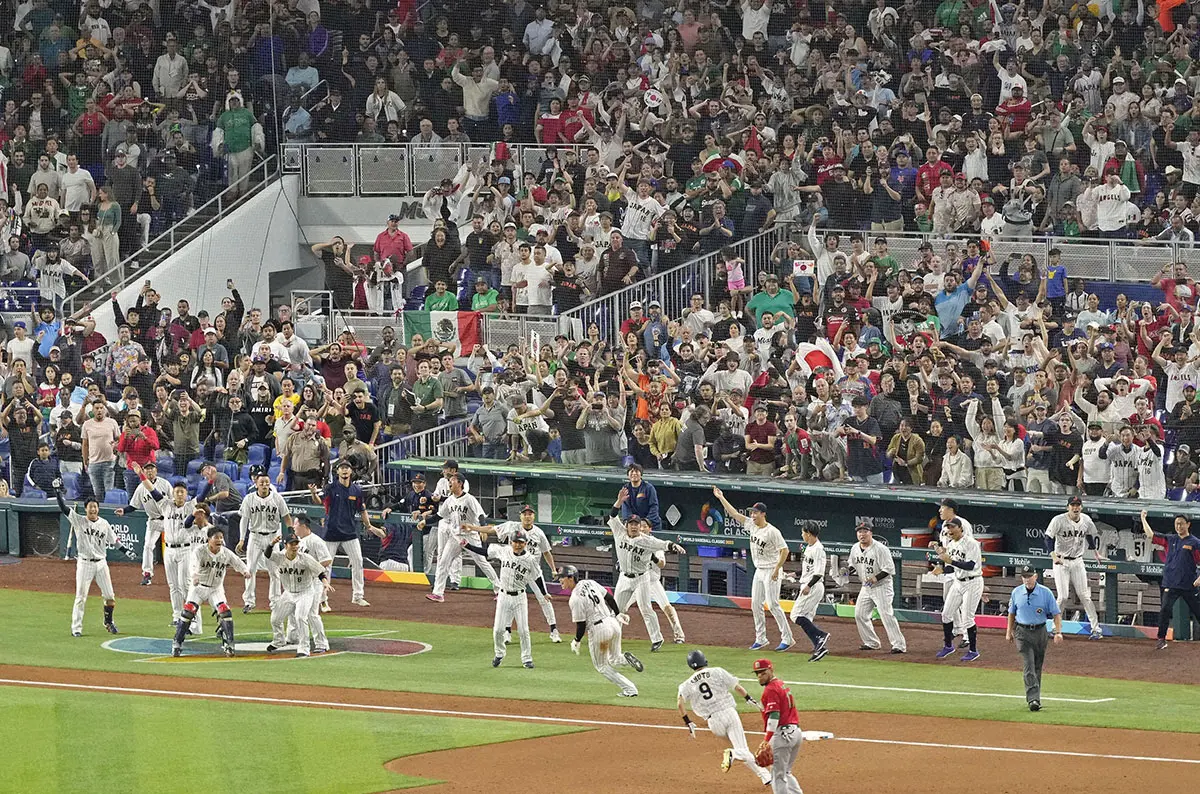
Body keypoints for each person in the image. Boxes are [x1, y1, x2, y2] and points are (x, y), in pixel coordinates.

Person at [711, 487, 793, 651]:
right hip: (759, 570)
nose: (753, 515)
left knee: (773, 604)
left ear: (763, 514)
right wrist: (721, 497)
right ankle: (761, 638)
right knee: (755, 604)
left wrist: (777, 569)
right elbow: (734, 514)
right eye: (752, 513)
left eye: (755, 513)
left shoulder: (772, 531)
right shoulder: (752, 525)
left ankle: (787, 638)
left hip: (771, 569)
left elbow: (785, 550)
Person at [677, 650, 771, 786]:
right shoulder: (717, 671)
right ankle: (734, 754)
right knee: (740, 749)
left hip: (714, 723)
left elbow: (680, 703)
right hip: (729, 713)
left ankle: (765, 776)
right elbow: (736, 687)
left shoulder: (686, 684)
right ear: (704, 660)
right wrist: (747, 698)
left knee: (741, 749)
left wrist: (688, 722)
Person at [469, 504, 561, 643]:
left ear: (534, 516)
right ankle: (507, 631)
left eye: (530, 514)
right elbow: (492, 529)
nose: (527, 516)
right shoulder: (511, 526)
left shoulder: (539, 533)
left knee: (544, 598)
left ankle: (553, 630)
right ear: (520, 516)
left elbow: (546, 552)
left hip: (532, 570)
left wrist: (553, 569)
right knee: (510, 598)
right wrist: (473, 528)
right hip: (515, 569)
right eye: (525, 514)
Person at [609, 489, 686, 652]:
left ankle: (657, 639)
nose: (634, 527)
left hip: (642, 579)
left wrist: (674, 546)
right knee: (616, 610)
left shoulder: (647, 540)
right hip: (624, 577)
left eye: (637, 524)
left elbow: (663, 544)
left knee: (645, 608)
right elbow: (612, 516)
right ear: (626, 525)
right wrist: (619, 502)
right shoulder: (619, 532)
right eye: (631, 524)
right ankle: (614, 640)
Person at [58, 489, 136, 637]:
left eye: (95, 506)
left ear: (98, 509)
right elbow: (63, 508)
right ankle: (76, 628)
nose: (93, 509)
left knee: (110, 596)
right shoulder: (79, 520)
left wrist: (126, 551)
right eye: (90, 507)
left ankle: (108, 621)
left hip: (101, 564)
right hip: (85, 563)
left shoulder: (104, 524)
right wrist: (57, 493)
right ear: (85, 509)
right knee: (81, 597)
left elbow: (115, 541)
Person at [561, 565, 644, 698]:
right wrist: (618, 613)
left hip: (600, 631)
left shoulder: (575, 599)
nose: (560, 580)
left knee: (601, 666)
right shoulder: (589, 582)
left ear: (571, 578)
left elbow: (581, 624)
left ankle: (630, 689)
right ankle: (626, 660)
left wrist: (576, 640)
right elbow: (609, 597)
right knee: (615, 658)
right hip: (613, 624)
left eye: (562, 578)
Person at [172, 516, 250, 657]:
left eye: (221, 537)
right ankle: (177, 642)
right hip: (198, 587)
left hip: (216, 588)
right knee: (188, 611)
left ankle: (229, 643)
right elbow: (193, 564)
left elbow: (237, 562)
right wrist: (194, 575)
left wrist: (245, 571)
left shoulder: (225, 552)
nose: (219, 540)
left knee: (225, 611)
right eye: (216, 537)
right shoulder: (200, 551)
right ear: (209, 539)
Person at [310, 460, 383, 607]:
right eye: (342, 468)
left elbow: (362, 510)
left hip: (350, 532)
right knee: (326, 566)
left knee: (358, 562)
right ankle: (322, 599)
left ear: (351, 471)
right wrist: (313, 493)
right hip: (331, 533)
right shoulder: (330, 488)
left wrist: (368, 525)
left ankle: (358, 596)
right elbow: (319, 501)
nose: (344, 471)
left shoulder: (356, 490)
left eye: (347, 468)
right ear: (337, 471)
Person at [469, 529, 541, 668]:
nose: (518, 545)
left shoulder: (530, 560)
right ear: (511, 542)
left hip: (520, 597)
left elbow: (537, 577)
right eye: (515, 542)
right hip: (503, 596)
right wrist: (468, 546)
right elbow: (485, 551)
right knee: (498, 630)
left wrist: (544, 594)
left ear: (525, 543)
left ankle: (527, 658)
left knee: (523, 630)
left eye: (521, 542)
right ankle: (499, 653)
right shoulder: (504, 551)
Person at [425, 473, 500, 602]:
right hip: (456, 537)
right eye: (449, 481)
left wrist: (483, 528)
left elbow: (480, 514)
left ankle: (499, 590)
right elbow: (439, 516)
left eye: (452, 480)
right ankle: (438, 593)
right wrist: (424, 522)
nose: (449, 483)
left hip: (470, 536)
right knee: (443, 562)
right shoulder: (449, 500)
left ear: (460, 483)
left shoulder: (469, 499)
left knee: (482, 563)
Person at [263, 535, 334, 658]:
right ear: (286, 546)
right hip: (288, 593)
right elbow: (267, 554)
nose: (295, 546)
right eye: (292, 544)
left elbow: (320, 571)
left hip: (305, 592)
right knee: (275, 619)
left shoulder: (305, 558)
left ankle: (304, 648)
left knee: (300, 617)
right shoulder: (280, 557)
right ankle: (279, 640)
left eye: (296, 543)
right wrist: (271, 543)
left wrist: (325, 583)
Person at [1043, 496, 1103, 639]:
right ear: (1068, 507)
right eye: (1072, 505)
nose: (1075, 507)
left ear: (1081, 507)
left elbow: (1089, 534)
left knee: (1084, 596)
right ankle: (1055, 628)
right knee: (1063, 597)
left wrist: (1096, 553)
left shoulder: (1086, 520)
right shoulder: (1058, 520)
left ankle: (1096, 629)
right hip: (1061, 561)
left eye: (1078, 505)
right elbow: (1048, 538)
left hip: (1077, 561)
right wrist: (1053, 556)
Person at [1005, 566, 1064, 712]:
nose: (1027, 580)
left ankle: (1036, 697)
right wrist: (1009, 632)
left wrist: (1058, 632)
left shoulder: (1045, 593)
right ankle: (1033, 699)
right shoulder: (1016, 592)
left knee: (1037, 665)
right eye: (1024, 577)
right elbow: (1011, 613)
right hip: (1022, 632)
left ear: (1036, 576)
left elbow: (1056, 614)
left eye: (1029, 576)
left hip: (1040, 632)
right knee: (1029, 664)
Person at [1139, 511, 1200, 651]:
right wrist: (1143, 518)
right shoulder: (1170, 539)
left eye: (1181, 524)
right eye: (1176, 524)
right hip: (1170, 583)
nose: (1178, 526)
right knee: (1165, 610)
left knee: (1198, 611)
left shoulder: (1195, 543)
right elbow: (1151, 535)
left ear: (1188, 525)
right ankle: (1161, 639)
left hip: (1189, 584)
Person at [237, 469, 291, 613]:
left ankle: (275, 602)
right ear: (256, 484)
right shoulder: (249, 499)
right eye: (262, 483)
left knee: (274, 571)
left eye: (267, 482)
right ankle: (249, 601)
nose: (264, 485)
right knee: (250, 569)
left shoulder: (277, 498)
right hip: (255, 536)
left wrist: (291, 533)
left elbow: (286, 516)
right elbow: (244, 520)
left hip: (272, 537)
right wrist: (242, 539)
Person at [848, 523, 907, 653]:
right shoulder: (855, 548)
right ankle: (871, 642)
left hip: (882, 586)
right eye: (859, 531)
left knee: (886, 615)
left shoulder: (881, 549)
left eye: (865, 531)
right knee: (860, 614)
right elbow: (853, 565)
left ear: (871, 533)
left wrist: (875, 578)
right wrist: (846, 572)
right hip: (866, 587)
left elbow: (889, 569)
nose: (862, 534)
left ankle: (899, 645)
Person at [932, 518, 983, 662]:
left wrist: (950, 561)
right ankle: (948, 646)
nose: (950, 530)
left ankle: (973, 650)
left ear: (960, 528)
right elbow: (952, 567)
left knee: (967, 618)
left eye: (952, 527)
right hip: (958, 582)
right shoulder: (951, 544)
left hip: (973, 582)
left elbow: (970, 565)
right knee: (946, 614)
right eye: (948, 527)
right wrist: (942, 570)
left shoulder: (971, 543)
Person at [752, 658, 804, 794]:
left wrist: (766, 740)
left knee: (777, 776)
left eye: (763, 672)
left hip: (782, 736)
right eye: (757, 673)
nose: (760, 676)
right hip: (795, 733)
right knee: (786, 772)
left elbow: (774, 717)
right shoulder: (780, 684)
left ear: (771, 670)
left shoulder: (770, 689)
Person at [114, 461, 171, 587]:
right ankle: (147, 574)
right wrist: (124, 510)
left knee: (174, 546)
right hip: (153, 521)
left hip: (168, 520)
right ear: (143, 471)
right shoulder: (141, 488)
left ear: (156, 471)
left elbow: (174, 502)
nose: (150, 471)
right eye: (147, 469)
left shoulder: (165, 484)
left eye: (152, 469)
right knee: (148, 546)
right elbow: (134, 505)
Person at [788, 521, 830, 661]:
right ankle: (820, 647)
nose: (802, 535)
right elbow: (809, 569)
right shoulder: (810, 548)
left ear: (809, 534)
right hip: (810, 585)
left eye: (803, 532)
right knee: (806, 618)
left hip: (813, 586)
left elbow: (819, 573)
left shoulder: (818, 549)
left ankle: (821, 636)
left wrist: (808, 586)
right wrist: (795, 574)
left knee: (795, 615)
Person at [618, 463, 660, 531]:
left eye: (637, 471)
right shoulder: (625, 488)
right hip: (634, 525)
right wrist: (628, 521)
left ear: (641, 474)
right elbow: (625, 508)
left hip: (650, 525)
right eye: (632, 471)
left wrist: (644, 523)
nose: (634, 473)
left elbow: (654, 507)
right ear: (628, 474)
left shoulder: (649, 488)